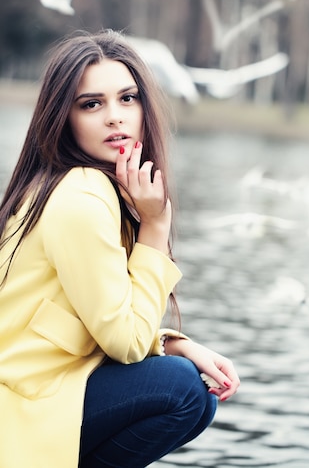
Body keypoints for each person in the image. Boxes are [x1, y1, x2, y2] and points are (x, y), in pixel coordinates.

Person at [0, 30, 240, 468]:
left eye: (127, 99)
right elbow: (125, 343)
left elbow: (101, 318)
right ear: (63, 117)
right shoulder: (81, 195)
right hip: (21, 409)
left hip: (45, 389)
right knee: (182, 391)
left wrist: (174, 344)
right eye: (91, 104)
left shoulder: (75, 186)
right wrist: (154, 226)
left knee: (197, 396)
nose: (115, 117)